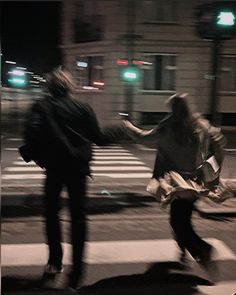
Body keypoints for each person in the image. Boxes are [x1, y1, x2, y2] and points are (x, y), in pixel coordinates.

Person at [20, 67, 124, 291]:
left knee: (51, 215)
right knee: (78, 219)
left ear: (50, 86)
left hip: (54, 168)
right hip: (78, 169)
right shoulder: (83, 108)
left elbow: (31, 135)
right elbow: (99, 138)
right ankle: (76, 272)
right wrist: (120, 130)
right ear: (69, 86)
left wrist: (34, 155)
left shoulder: (40, 107)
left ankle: (55, 262)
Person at [123, 93, 233, 277]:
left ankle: (203, 249)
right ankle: (184, 254)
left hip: (177, 183)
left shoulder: (168, 127)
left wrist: (126, 127)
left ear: (173, 109)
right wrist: (212, 168)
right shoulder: (201, 125)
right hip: (195, 182)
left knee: (178, 222)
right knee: (182, 219)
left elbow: (144, 138)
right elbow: (220, 142)